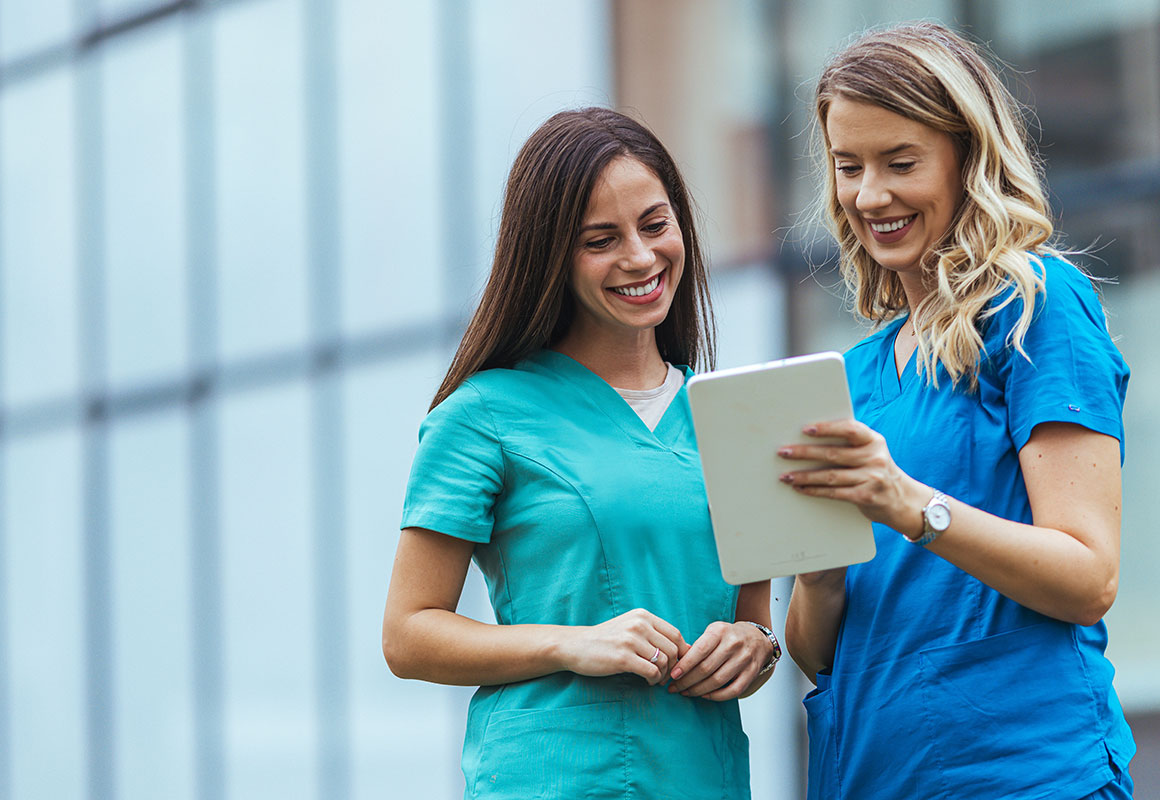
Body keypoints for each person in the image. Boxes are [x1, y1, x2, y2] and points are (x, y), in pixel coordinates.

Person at [779, 23, 1135, 799]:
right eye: (849, 167)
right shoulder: (848, 376)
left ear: (966, 157)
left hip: (1027, 774)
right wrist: (820, 578)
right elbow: (817, 652)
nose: (871, 195)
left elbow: (1087, 574)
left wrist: (906, 504)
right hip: (873, 775)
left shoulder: (1038, 307)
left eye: (900, 162)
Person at [382, 107, 777, 799]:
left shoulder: (733, 414)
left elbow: (753, 618)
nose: (640, 257)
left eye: (655, 225)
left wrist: (756, 648)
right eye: (601, 240)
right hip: (552, 778)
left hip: (700, 775)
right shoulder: (484, 416)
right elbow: (408, 635)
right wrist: (570, 642)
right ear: (550, 257)